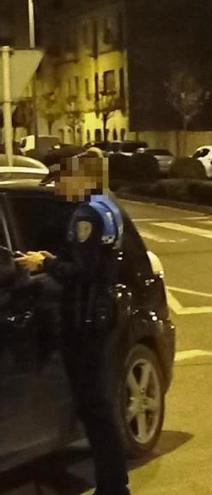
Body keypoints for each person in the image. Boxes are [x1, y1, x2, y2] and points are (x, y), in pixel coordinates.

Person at [16, 148, 131, 495]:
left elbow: (82, 271)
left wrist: (45, 264)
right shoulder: (108, 206)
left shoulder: (87, 214)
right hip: (100, 313)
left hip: (85, 319)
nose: (59, 188)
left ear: (82, 178)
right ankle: (114, 483)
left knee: (95, 409)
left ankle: (113, 486)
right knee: (100, 405)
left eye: (64, 180)